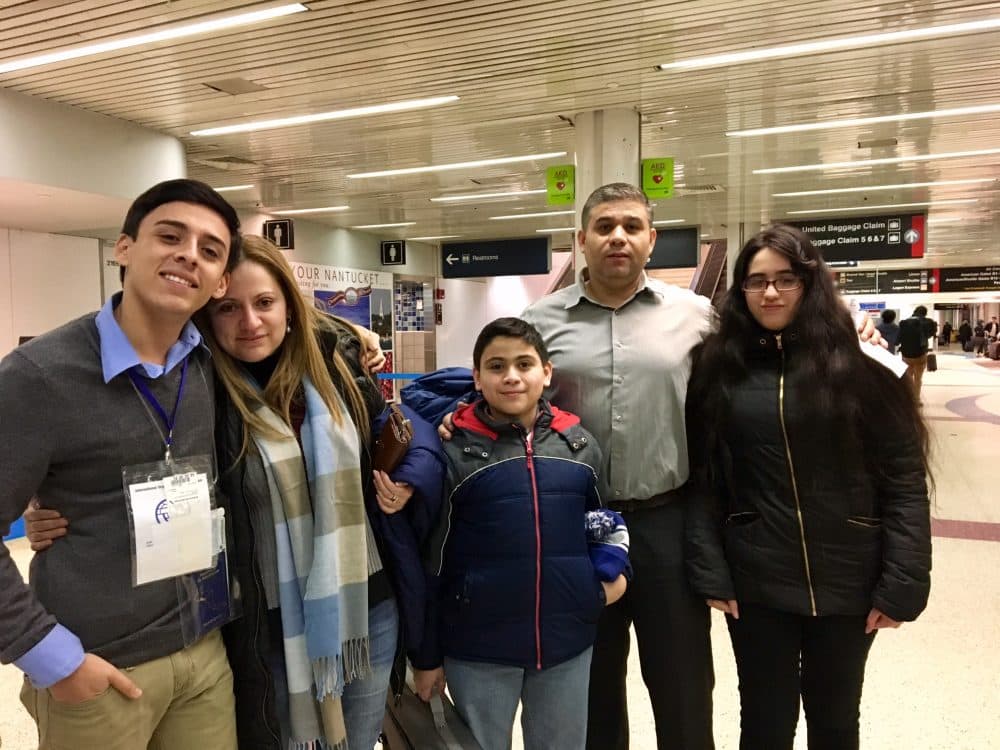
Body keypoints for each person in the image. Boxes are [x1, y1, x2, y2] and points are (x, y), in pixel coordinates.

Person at [439, 184, 881, 750]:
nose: (616, 237)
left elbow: (771, 352)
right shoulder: (542, 320)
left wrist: (849, 329)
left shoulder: (698, 317)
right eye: (603, 227)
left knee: (683, 685)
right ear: (582, 241)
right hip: (576, 529)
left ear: (652, 239)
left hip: (669, 524)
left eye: (630, 226)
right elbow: (503, 386)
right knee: (590, 686)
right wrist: (457, 415)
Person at [23, 235, 445, 750]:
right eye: (228, 308)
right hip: (267, 625)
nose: (250, 322)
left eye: (265, 303)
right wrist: (48, 503)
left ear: (289, 306)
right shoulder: (203, 393)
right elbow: (132, 463)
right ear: (206, 316)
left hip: (367, 612)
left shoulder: (335, 369)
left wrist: (410, 475)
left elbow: (403, 429)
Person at [0, 179, 242, 749]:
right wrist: (53, 658)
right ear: (125, 248)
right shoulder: (39, 377)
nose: (189, 254)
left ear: (220, 282)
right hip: (98, 668)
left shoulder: (212, 365)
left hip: (203, 654)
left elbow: (280, 327)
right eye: (170, 236)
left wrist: (351, 334)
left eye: (210, 250)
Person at [685, 224, 932, 750]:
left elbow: (904, 479)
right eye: (756, 282)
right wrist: (712, 571)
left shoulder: (864, 366)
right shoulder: (717, 368)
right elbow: (705, 479)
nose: (770, 292)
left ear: (810, 283)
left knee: (836, 717)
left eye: (785, 279)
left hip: (849, 577)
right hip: (757, 579)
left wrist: (903, 580)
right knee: (765, 721)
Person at [411, 317, 630, 750]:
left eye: (524, 364)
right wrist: (426, 655)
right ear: (476, 377)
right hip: (478, 647)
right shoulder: (451, 451)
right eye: (496, 366)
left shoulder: (580, 445)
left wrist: (604, 582)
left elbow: (601, 524)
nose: (511, 376)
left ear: (546, 373)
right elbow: (431, 561)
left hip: (566, 643)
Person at [897, 305, 936, 400]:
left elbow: (898, 340)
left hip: (906, 354)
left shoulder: (903, 323)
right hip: (920, 354)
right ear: (925, 313)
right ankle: (916, 399)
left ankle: (909, 399)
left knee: (909, 378)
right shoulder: (928, 322)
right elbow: (931, 334)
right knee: (918, 379)